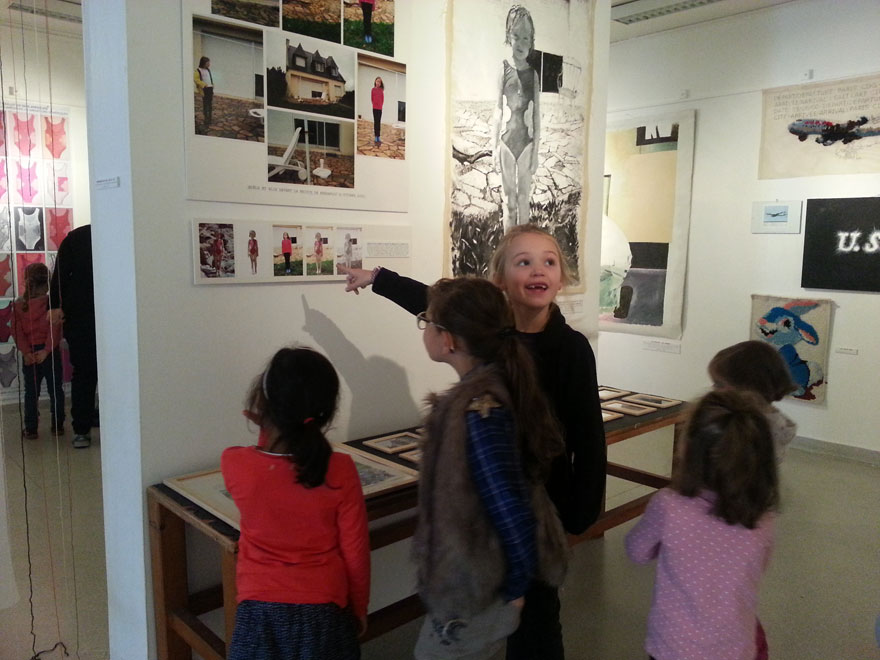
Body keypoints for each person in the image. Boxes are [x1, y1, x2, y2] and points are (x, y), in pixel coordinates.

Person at [340, 224, 606, 660]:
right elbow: (439, 304)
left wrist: (583, 508)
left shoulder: (572, 349)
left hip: (543, 506)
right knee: (490, 612)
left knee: (536, 622)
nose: (537, 269)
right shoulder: (490, 333)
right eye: (524, 261)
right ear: (501, 280)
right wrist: (378, 279)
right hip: (489, 505)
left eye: (549, 261)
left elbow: (588, 433)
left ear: (561, 277)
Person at [412, 277, 568, 660]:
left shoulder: (481, 411)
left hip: (480, 579)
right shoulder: (490, 391)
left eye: (426, 320)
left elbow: (508, 506)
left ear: (448, 340)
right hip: (473, 570)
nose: (424, 328)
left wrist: (515, 589)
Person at [222, 347, 370, 660]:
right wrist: (358, 609)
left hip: (258, 613)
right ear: (326, 412)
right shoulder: (341, 469)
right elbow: (355, 553)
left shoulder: (234, 463)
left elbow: (269, 465)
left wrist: (268, 431)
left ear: (263, 403)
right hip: (326, 614)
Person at [625, 388, 779, 660]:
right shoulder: (763, 519)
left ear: (687, 449)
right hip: (736, 647)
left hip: (673, 647)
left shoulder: (669, 506)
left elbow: (636, 552)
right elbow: (753, 568)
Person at [708, 340, 797, 463]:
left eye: (719, 384)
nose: (714, 390)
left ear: (749, 388)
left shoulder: (749, 428)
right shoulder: (774, 421)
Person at [49, 224, 97, 449]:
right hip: (82, 317)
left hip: (92, 316)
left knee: (87, 373)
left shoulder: (78, 237)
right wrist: (55, 305)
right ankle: (82, 427)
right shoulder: (78, 238)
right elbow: (60, 273)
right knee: (85, 372)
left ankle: (85, 426)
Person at [494, 5, 540, 228]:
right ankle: (508, 254)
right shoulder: (503, 70)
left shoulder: (533, 75)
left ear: (531, 41)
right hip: (506, 143)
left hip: (526, 145)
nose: (521, 43)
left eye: (526, 38)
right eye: (516, 37)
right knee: (509, 201)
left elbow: (537, 115)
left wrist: (537, 150)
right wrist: (494, 147)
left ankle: (523, 251)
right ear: (508, 36)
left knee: (523, 201)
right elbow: (498, 110)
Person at [13, 263, 65, 439]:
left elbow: (17, 332)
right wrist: (47, 350)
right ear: (48, 284)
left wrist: (27, 352)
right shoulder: (51, 304)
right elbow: (55, 329)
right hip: (50, 354)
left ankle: (31, 428)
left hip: (30, 356)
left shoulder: (19, 306)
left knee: (31, 393)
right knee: (55, 390)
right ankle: (57, 426)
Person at [194, 56, 214, 128]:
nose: (209, 64)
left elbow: (209, 78)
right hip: (205, 89)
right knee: (206, 104)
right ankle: (206, 118)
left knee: (210, 104)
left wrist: (212, 84)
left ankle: (210, 118)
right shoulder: (198, 70)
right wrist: (203, 85)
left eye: (209, 62)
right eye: (207, 62)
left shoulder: (208, 70)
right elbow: (196, 80)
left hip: (210, 88)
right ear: (203, 63)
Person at [371, 77, 384, 144]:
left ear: (381, 83)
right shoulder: (373, 89)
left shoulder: (381, 90)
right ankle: (375, 136)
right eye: (377, 81)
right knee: (375, 122)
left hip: (379, 109)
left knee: (378, 122)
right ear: (375, 81)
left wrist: (380, 106)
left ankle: (378, 136)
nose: (378, 83)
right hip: (374, 108)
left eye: (380, 82)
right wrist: (374, 105)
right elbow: (372, 99)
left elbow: (382, 99)